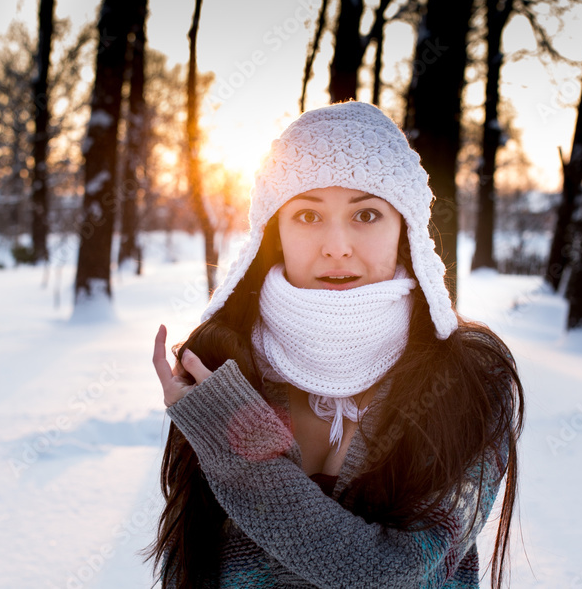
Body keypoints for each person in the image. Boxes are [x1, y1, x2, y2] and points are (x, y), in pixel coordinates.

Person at [147, 101, 523, 588]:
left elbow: (396, 576)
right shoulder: (221, 367)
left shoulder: (468, 380)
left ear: (405, 230)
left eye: (366, 214)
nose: (337, 245)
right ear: (274, 233)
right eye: (307, 215)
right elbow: (191, 564)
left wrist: (241, 456)